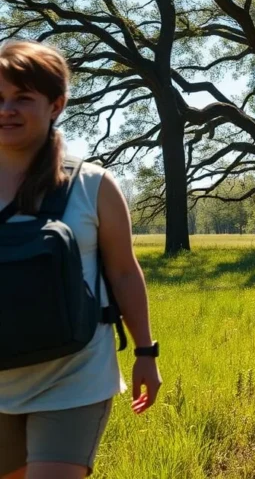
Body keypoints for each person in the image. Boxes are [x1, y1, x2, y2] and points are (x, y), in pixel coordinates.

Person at [0, 40, 161, 479]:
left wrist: (146, 351)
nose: (7, 110)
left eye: (22, 98)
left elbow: (125, 272)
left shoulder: (93, 185)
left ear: (57, 104)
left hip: (74, 379)